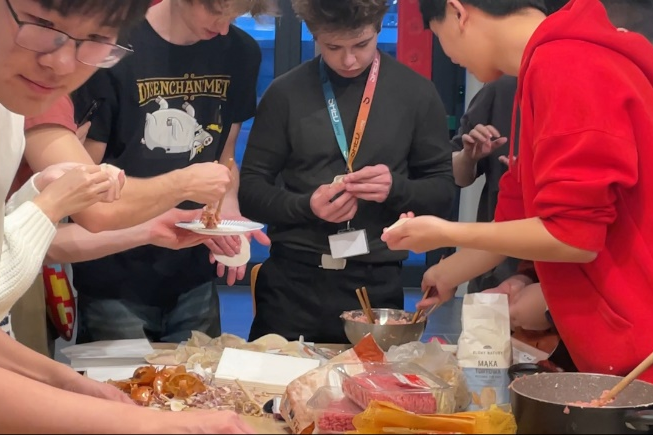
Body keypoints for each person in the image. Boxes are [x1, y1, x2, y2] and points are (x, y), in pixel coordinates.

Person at [0, 0, 256, 432]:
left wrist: (68, 382)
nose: (62, 63)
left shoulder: (16, 107)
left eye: (96, 41)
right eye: (43, 25)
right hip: (114, 285)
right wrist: (145, 424)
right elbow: (95, 211)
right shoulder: (34, 100)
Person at [382, 0, 653, 382]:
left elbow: (573, 236)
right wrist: (448, 271)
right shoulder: (543, 67)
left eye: (437, 34)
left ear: (457, 13)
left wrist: (445, 232)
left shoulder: (567, 64)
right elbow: (520, 215)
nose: (449, 54)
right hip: (613, 353)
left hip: (638, 359)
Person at [239, 0, 455, 343]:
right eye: (333, 47)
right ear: (314, 35)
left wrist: (395, 188)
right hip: (292, 284)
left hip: (375, 283)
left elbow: (442, 192)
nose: (349, 60)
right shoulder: (285, 94)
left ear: (379, 28)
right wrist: (306, 206)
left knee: (374, 380)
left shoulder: (416, 93)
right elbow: (250, 191)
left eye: (361, 44)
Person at [70, 0, 276, 344]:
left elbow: (224, 156)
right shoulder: (114, 46)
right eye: (216, 12)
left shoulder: (241, 51)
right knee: (121, 380)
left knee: (197, 377)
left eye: (234, 17)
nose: (223, 28)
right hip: (115, 272)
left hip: (193, 273)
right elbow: (86, 180)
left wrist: (228, 212)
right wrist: (174, 190)